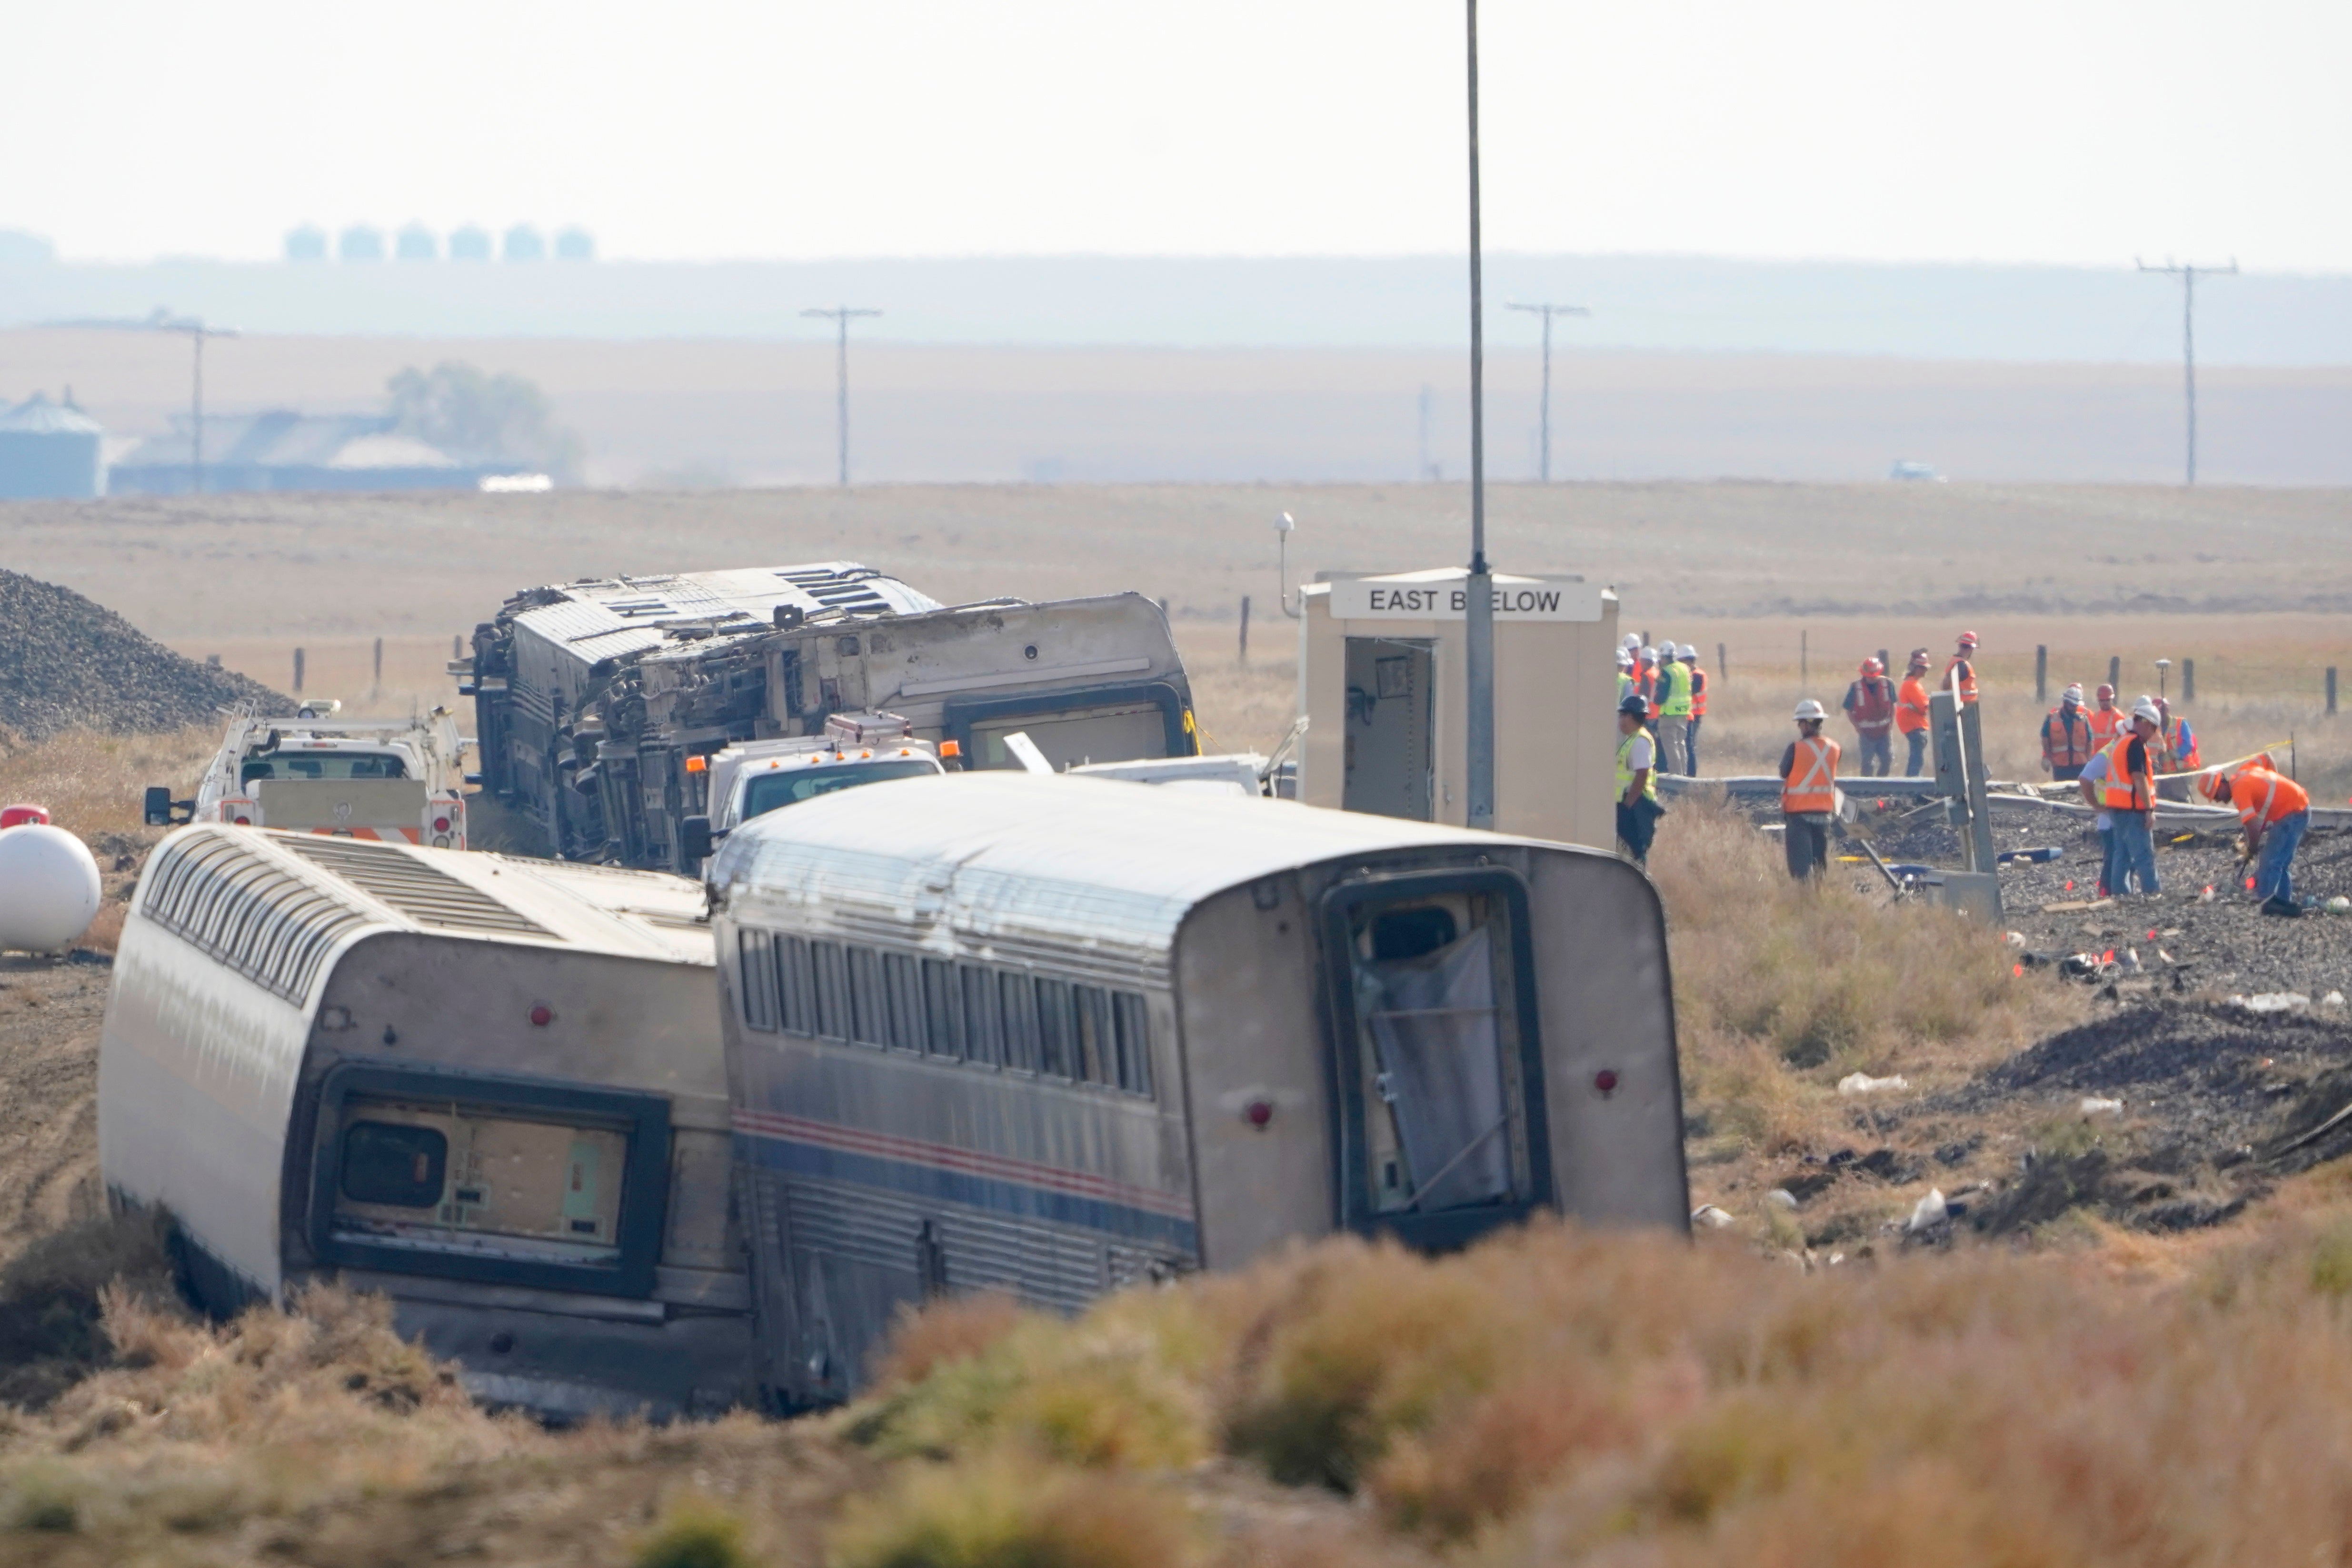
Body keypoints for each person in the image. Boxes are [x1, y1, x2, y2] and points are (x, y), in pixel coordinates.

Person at [2204, 764, 2311, 916]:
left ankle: (2267, 903)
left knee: (2270, 860)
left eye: (2216, 796)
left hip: (2293, 812)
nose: (2218, 801)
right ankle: (2284, 905)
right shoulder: (2242, 774)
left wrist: (2252, 847)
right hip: (2298, 807)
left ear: (2221, 785)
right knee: (2280, 862)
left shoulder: (2239, 790)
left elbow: (2253, 826)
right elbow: (2266, 757)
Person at [2096, 699, 2163, 896]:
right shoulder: (2135, 744)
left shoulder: (2121, 742)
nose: (2152, 735)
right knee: (2144, 855)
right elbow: (2138, 778)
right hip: (2133, 809)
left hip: (2117, 808)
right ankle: (2153, 894)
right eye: (2153, 729)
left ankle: (2120, 895)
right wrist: (2149, 810)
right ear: (2147, 724)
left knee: (2122, 855)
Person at [1779, 699, 1841, 881]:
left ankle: (1805, 900)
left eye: (1800, 723)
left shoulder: (1796, 748)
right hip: (1825, 814)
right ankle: (1819, 896)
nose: (1799, 727)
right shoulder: (1835, 748)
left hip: (1799, 813)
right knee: (1819, 862)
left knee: (1801, 868)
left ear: (1806, 724)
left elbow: (1784, 772)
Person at [1615, 693, 1664, 865]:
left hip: (1637, 806)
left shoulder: (1640, 741)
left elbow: (1642, 774)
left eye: (1622, 716)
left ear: (1629, 717)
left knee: (1636, 853)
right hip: (1630, 804)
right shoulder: (1632, 739)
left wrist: (1628, 805)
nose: (1620, 721)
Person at [1841, 657, 1896, 778]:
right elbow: (1848, 709)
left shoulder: (1888, 684)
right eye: (1869, 675)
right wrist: (1857, 727)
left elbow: (1893, 705)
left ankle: (1881, 785)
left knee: (1888, 759)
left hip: (1885, 731)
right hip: (1866, 733)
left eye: (1874, 675)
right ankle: (1866, 789)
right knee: (1868, 763)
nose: (1872, 678)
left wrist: (1891, 722)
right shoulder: (1856, 687)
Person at [2075, 744, 2119, 897]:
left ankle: (2116, 893)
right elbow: (2085, 778)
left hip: (2121, 818)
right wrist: (2096, 805)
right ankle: (2106, 894)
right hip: (2109, 821)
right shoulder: (2106, 755)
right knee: (2112, 860)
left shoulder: (2126, 749)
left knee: (2120, 861)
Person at [2041, 683, 2095, 783]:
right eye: (2072, 705)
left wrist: (2089, 761)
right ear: (2065, 702)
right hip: (2060, 768)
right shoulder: (2052, 719)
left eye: (2076, 705)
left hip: (2080, 767)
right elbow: (2045, 739)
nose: (2075, 708)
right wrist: (2047, 757)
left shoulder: (2083, 720)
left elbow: (2090, 741)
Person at [1654, 640, 1694, 776]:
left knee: (1671, 747)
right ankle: (1683, 775)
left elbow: (1661, 697)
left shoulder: (1666, 672)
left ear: (1663, 657)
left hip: (1669, 715)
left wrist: (1655, 699)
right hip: (1684, 713)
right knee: (1681, 744)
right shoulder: (1684, 668)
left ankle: (1676, 777)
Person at [1896, 649, 1933, 777]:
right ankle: (1913, 787)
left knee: (1917, 759)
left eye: (1925, 668)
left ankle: (1912, 785)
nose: (1925, 671)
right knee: (1917, 761)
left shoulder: (1912, 684)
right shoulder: (1912, 685)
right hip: (1915, 726)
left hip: (1913, 726)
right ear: (1915, 668)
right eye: (1922, 668)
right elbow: (1923, 708)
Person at [1679, 645, 1709, 775]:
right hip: (1689, 714)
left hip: (1695, 715)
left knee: (1690, 747)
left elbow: (1689, 692)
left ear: (1690, 661)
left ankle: (1691, 775)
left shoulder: (1697, 676)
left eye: (1682, 661)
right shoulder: (1691, 674)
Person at [2156, 699, 2200, 773]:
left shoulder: (2181, 723)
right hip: (2164, 772)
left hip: (2183, 770)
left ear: (2167, 710)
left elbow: (2189, 744)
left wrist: (2177, 754)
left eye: (2161, 711)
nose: (2160, 714)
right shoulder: (2154, 728)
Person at [2086, 683, 2127, 749]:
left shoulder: (2118, 716)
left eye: (2107, 700)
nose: (2105, 703)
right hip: (2097, 755)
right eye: (2102, 701)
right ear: (2099, 700)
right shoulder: (2096, 716)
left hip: (2111, 755)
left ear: (2112, 699)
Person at [1944, 631, 1980, 704]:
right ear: (1971, 649)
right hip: (1964, 707)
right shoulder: (1962, 665)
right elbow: (1947, 685)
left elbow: (1946, 686)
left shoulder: (1954, 660)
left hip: (1959, 705)